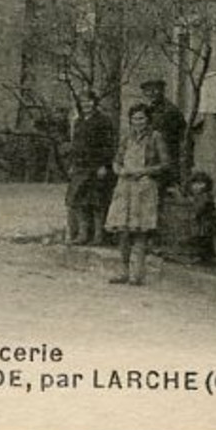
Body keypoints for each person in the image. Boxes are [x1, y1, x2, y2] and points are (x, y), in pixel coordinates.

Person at [105, 103, 171, 286]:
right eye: (135, 119)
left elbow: (165, 164)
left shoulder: (156, 137)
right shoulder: (126, 137)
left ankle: (136, 274)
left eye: (141, 118)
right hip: (125, 187)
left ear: (148, 119)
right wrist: (119, 170)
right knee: (123, 231)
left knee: (140, 232)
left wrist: (144, 171)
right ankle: (124, 271)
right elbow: (117, 160)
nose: (138, 122)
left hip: (144, 187)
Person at [65, 95, 116, 245]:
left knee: (96, 202)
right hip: (80, 166)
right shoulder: (79, 121)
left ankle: (98, 235)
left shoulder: (103, 121)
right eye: (83, 102)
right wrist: (72, 164)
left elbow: (109, 144)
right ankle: (82, 234)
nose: (86, 104)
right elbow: (75, 144)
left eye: (89, 101)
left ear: (95, 102)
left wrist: (104, 165)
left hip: (96, 166)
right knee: (78, 200)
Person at [141, 78, 188, 189]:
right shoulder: (148, 110)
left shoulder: (170, 111)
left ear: (162, 91)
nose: (151, 93)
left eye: (155, 90)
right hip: (149, 159)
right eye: (147, 90)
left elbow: (180, 137)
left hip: (165, 160)